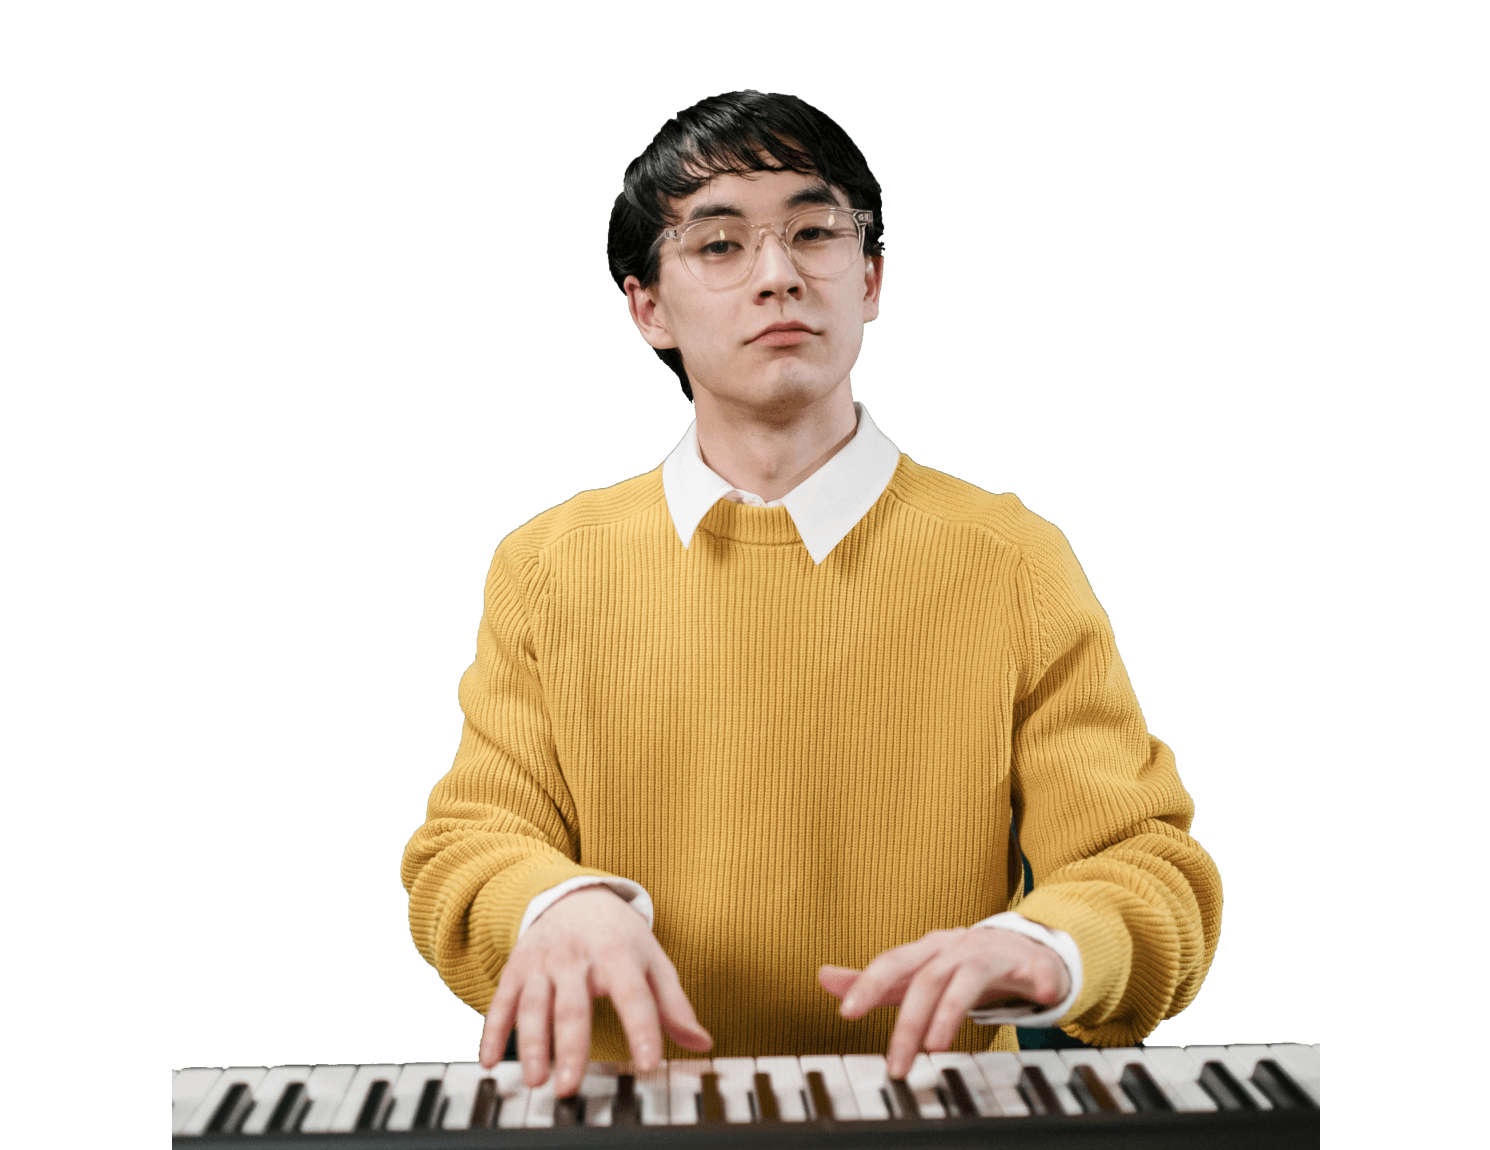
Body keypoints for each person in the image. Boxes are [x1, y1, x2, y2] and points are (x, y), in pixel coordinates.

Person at [400, 90, 1222, 1102]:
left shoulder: (1011, 557)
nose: (778, 275)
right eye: (717, 244)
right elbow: (468, 846)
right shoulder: (547, 564)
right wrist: (555, 906)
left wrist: (1046, 947)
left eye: (813, 232)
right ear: (645, 308)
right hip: (626, 1126)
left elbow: (1143, 863)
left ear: (868, 279)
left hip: (938, 1126)